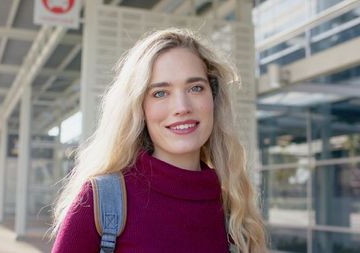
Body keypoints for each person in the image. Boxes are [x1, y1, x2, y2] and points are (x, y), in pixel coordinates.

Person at [51, 28, 268, 253]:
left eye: (195, 88)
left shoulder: (235, 209)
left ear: (213, 99)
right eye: (160, 93)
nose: (182, 107)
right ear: (139, 108)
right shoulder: (100, 201)